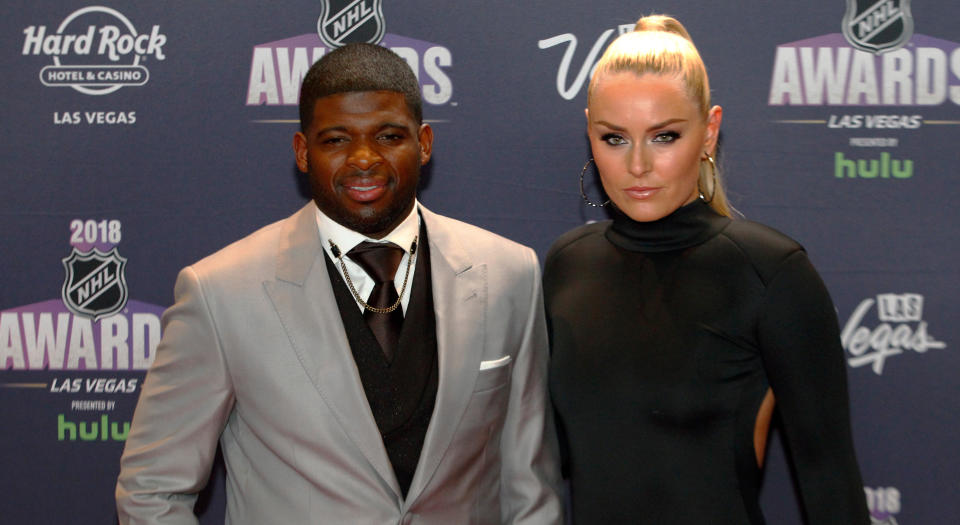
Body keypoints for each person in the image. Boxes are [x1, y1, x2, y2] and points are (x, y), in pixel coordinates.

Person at [116, 43, 563, 524]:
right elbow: (152, 489)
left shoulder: (510, 273)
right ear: (303, 152)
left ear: (425, 142)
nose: (364, 159)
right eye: (336, 140)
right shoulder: (219, 292)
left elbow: (529, 484)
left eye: (389, 136)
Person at [544, 15, 870, 524]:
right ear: (590, 132)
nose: (637, 166)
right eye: (614, 138)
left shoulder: (770, 272)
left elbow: (830, 482)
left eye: (664, 136)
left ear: (709, 131)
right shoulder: (567, 264)